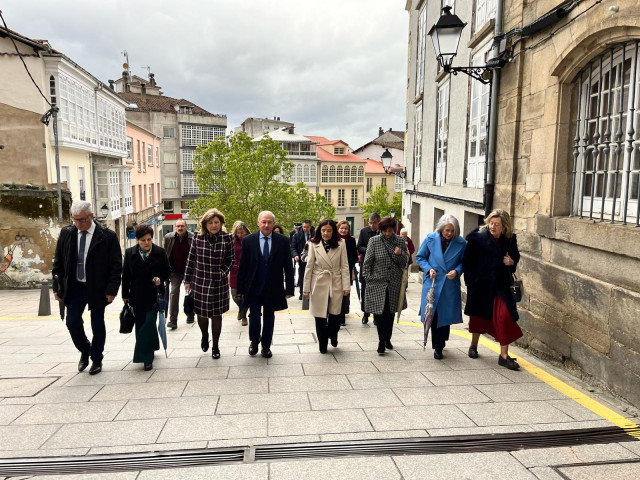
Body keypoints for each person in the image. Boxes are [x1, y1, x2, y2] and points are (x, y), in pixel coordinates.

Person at [52, 201, 122, 375]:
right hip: (74, 287)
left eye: (81, 220)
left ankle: (97, 358)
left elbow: (116, 265)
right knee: (72, 322)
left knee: (97, 323)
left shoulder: (107, 236)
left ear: (91, 216)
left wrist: (112, 290)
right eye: (75, 220)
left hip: (97, 288)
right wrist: (57, 287)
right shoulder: (67, 233)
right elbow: (58, 261)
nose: (78, 224)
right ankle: (85, 349)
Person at [462, 209, 522, 370]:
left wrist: (512, 262)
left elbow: (515, 257)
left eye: (496, 224)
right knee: (478, 318)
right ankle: (473, 345)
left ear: (504, 227)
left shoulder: (509, 240)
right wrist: (472, 282)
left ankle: (503, 356)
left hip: (501, 287)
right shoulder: (477, 238)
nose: (492, 226)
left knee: (505, 317)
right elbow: (467, 262)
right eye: (491, 223)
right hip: (481, 286)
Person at [237, 211, 295, 358]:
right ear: (258, 223)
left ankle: (266, 346)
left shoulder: (282, 240)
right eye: (263, 222)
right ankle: (254, 342)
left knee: (269, 317)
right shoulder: (248, 240)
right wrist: (240, 288)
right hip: (254, 286)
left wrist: (289, 288)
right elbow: (243, 266)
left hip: (273, 287)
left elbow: (288, 266)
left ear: (273, 223)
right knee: (254, 317)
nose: (266, 225)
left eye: (269, 222)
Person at [184, 208, 234, 359]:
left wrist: (222, 273)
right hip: (200, 281)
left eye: (217, 222)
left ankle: (216, 346)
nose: (214, 225)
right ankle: (205, 335)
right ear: (205, 224)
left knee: (217, 314)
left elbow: (231, 260)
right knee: (202, 314)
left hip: (219, 283)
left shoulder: (227, 238)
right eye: (211, 222)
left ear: (221, 223)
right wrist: (187, 280)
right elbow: (191, 259)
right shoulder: (197, 238)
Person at [415, 215, 466, 359]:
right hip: (433, 283)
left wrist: (456, 271)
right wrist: (428, 268)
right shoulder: (430, 238)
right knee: (433, 315)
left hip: (449, 285)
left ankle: (441, 341)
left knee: (445, 316)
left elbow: (464, 262)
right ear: (441, 229)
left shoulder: (461, 243)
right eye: (447, 230)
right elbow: (420, 257)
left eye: (452, 231)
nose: (449, 233)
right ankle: (438, 347)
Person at [122, 225, 171, 371]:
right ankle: (152, 345)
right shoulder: (130, 253)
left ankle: (145, 357)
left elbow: (167, 271)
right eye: (143, 240)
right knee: (141, 323)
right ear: (137, 240)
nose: (146, 243)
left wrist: (160, 279)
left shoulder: (160, 252)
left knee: (149, 321)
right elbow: (125, 277)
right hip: (136, 295)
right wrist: (125, 295)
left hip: (155, 294)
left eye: (149, 239)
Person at [362, 216, 408, 355]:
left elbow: (404, 263)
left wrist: (399, 255)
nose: (387, 233)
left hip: (394, 283)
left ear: (393, 229)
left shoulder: (400, 240)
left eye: (389, 231)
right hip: (377, 283)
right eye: (384, 231)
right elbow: (367, 262)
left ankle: (387, 338)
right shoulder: (374, 241)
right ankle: (381, 341)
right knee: (380, 314)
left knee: (390, 313)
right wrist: (369, 278)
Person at [303, 219, 350, 353]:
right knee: (320, 316)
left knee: (335, 316)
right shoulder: (313, 244)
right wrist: (306, 288)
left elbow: (345, 266)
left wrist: (346, 285)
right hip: (319, 282)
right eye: (323, 230)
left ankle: (333, 334)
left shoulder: (341, 243)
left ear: (333, 231)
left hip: (336, 280)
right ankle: (322, 345)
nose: (326, 233)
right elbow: (309, 267)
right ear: (319, 231)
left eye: (329, 231)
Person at [163, 219, 194, 329]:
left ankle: (190, 313)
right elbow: (165, 254)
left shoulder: (193, 237)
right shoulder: (168, 237)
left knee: (191, 293)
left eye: (182, 226)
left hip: (190, 272)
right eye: (178, 226)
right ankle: (173, 320)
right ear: (175, 227)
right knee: (174, 292)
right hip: (175, 272)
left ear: (186, 227)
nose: (180, 228)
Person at [357, 212, 380, 324]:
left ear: (378, 223)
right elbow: (359, 246)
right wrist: (369, 251)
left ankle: (376, 315)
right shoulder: (364, 231)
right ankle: (365, 313)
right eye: (370, 223)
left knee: (376, 290)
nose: (372, 225)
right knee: (365, 290)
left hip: (378, 266)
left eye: (374, 223)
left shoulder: (382, 232)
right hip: (365, 265)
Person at [229, 220, 251, 326]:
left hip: (247, 271)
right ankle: (240, 309)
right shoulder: (232, 241)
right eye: (238, 232)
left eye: (242, 232)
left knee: (245, 295)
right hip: (234, 271)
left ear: (246, 231)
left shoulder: (251, 240)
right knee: (234, 295)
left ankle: (243, 316)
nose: (240, 235)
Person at [337, 220, 358, 326]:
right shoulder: (334, 240)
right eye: (341, 228)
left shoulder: (351, 240)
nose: (343, 230)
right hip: (336, 271)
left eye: (346, 228)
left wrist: (352, 271)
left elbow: (354, 257)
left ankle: (342, 318)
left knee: (345, 294)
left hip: (347, 270)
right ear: (338, 229)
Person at [291, 220, 314, 299]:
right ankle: (302, 293)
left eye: (307, 227)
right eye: (304, 227)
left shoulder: (315, 235)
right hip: (301, 260)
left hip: (313, 260)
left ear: (310, 227)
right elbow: (293, 247)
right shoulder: (297, 235)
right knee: (302, 276)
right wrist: (295, 255)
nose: (305, 228)